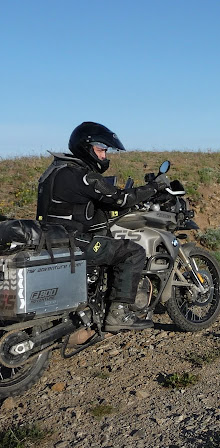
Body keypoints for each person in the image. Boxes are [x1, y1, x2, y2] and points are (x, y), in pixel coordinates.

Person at [36, 122, 169, 332]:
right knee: (132, 252)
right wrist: (154, 187)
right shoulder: (81, 175)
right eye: (101, 150)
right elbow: (118, 199)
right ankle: (118, 314)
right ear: (86, 148)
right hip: (74, 241)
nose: (104, 156)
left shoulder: (53, 171)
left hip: (50, 239)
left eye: (106, 151)